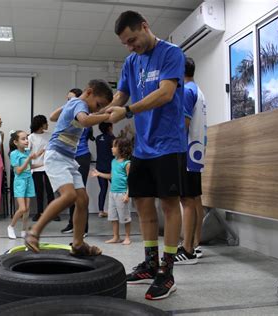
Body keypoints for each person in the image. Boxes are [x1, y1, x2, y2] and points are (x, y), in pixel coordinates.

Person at [107, 11, 187, 300]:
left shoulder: (171, 53)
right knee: (142, 205)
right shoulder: (131, 62)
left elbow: (166, 93)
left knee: (169, 204)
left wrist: (126, 111)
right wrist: (101, 113)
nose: (131, 46)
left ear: (145, 27)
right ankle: (151, 264)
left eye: (133, 40)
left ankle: (167, 271)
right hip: (143, 147)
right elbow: (121, 95)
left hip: (169, 144)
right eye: (126, 43)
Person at [24, 79, 113, 256]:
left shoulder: (76, 104)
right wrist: (107, 116)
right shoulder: (79, 104)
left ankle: (78, 244)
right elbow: (85, 121)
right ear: (88, 92)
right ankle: (33, 233)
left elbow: (53, 117)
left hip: (69, 159)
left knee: (83, 200)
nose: (96, 109)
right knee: (70, 195)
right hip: (56, 155)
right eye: (98, 104)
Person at [175, 57, 207, 264]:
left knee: (186, 199)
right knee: (195, 199)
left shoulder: (186, 91)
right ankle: (195, 244)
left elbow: (183, 125)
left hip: (186, 151)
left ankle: (187, 250)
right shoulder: (198, 90)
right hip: (196, 151)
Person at [59, 88, 95, 235]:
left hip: (81, 156)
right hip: (70, 156)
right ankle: (72, 224)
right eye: (67, 99)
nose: (68, 102)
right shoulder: (70, 111)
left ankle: (83, 227)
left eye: (71, 99)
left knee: (80, 193)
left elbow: (83, 122)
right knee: (70, 193)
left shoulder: (83, 115)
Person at [91, 137, 132, 245]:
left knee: (125, 217)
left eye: (114, 146)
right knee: (113, 216)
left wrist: (128, 194)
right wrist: (99, 174)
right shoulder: (113, 161)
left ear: (122, 149)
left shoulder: (127, 163)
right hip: (112, 193)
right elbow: (112, 176)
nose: (112, 148)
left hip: (122, 193)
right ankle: (116, 237)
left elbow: (130, 180)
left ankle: (127, 237)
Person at [7, 130, 41, 239]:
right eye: (23, 139)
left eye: (27, 138)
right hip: (20, 182)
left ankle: (23, 230)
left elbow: (30, 167)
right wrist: (29, 158)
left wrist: (45, 164)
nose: (26, 141)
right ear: (15, 142)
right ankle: (11, 227)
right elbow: (18, 171)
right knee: (22, 208)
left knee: (27, 209)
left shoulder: (27, 152)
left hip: (29, 180)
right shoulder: (14, 154)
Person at [28, 115, 59, 222]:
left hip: (49, 167)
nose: (48, 124)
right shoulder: (31, 137)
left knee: (50, 190)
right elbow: (28, 153)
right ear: (41, 125)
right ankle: (39, 212)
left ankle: (53, 213)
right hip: (36, 168)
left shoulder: (50, 135)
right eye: (46, 123)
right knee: (39, 191)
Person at [94, 122, 115, 218]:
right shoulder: (112, 139)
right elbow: (116, 146)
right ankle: (117, 210)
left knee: (103, 189)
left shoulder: (98, 138)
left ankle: (101, 211)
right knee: (116, 189)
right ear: (109, 128)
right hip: (110, 168)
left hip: (99, 167)